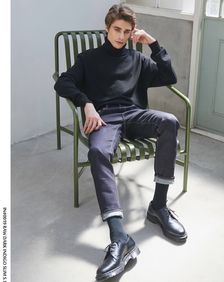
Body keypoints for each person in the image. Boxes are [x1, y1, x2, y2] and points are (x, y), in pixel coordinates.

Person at [54, 4, 187, 281]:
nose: (121, 35)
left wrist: (153, 43)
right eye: (117, 29)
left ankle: (159, 207)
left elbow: (169, 76)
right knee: (98, 151)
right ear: (107, 28)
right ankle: (120, 238)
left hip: (135, 116)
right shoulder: (89, 59)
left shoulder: (137, 59)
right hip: (105, 119)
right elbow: (63, 82)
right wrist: (86, 103)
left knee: (170, 121)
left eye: (127, 31)